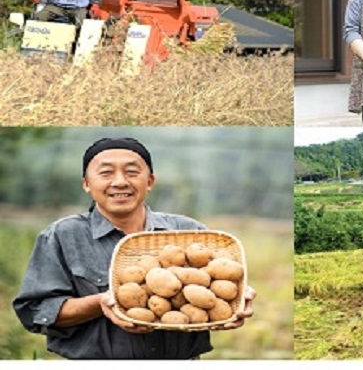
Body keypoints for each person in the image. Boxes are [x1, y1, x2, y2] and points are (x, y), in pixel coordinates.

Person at [13, 137, 256, 359]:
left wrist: (238, 298)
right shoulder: (62, 236)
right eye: (106, 173)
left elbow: (221, 284)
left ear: (149, 181)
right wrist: (102, 303)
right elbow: (35, 311)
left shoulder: (189, 231)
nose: (120, 182)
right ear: (87, 184)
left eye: (131, 172)